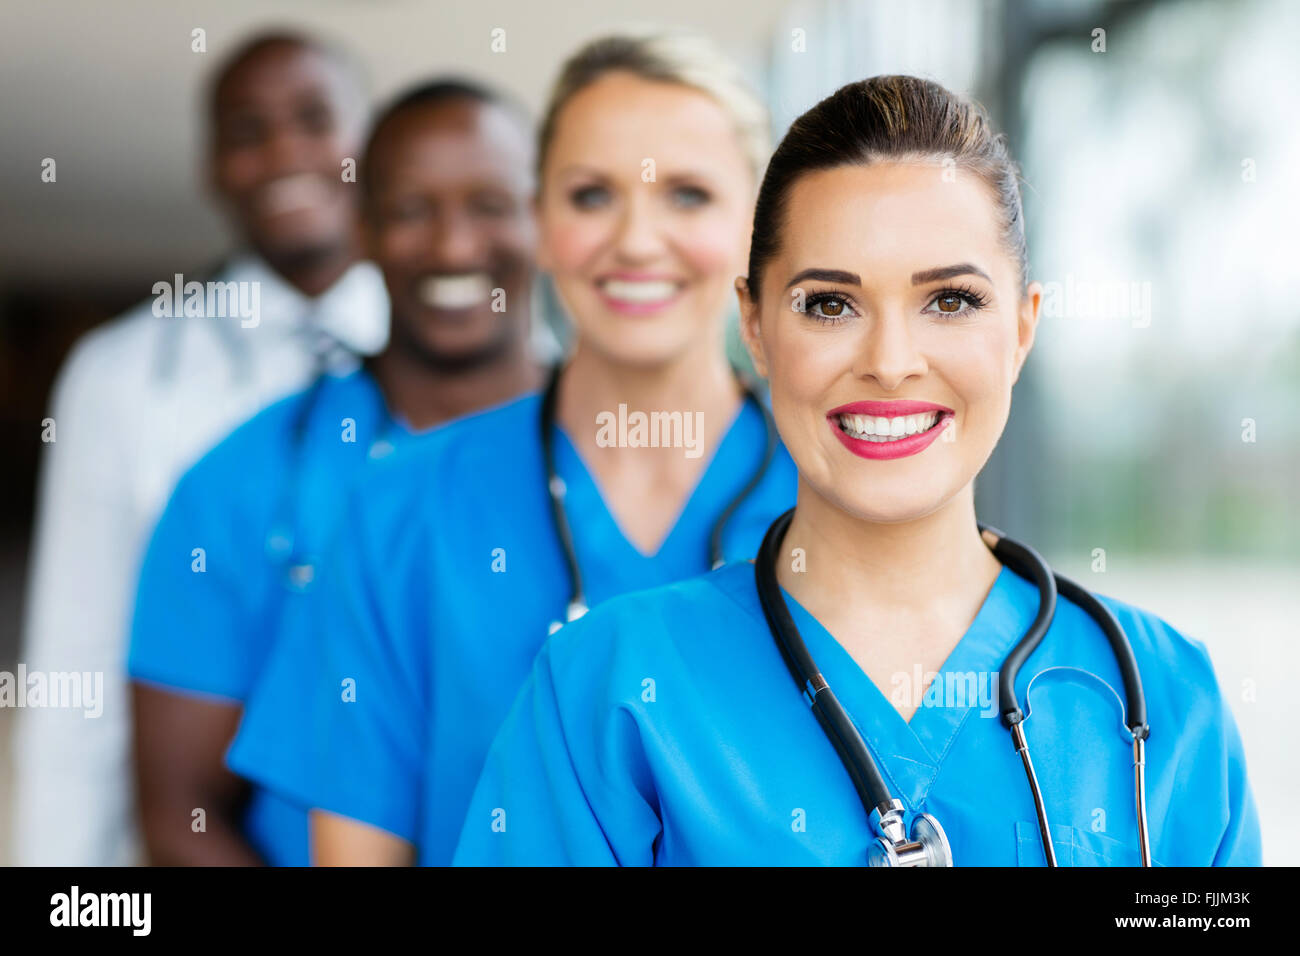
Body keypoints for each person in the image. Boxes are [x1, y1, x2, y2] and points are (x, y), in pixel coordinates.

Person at [452, 75, 1263, 867]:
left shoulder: (1164, 696)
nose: (891, 361)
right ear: (756, 326)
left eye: (950, 300)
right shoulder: (607, 690)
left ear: (1022, 329)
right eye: (829, 304)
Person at [226, 31, 798, 866]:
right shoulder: (400, 509)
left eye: (688, 194)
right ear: (540, 222)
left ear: (756, 226)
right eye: (592, 195)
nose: (637, 240)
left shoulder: (838, 499)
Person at [126, 79, 545, 866]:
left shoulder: (635, 464)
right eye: (412, 210)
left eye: (490, 204)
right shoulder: (238, 484)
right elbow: (182, 817)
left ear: (548, 218)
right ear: (363, 229)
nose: (454, 247)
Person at [12, 31, 389, 866]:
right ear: (212, 168)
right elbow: (77, 660)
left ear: (371, 143)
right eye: (248, 131)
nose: (285, 151)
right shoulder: (122, 374)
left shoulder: (472, 362)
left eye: (315, 119)